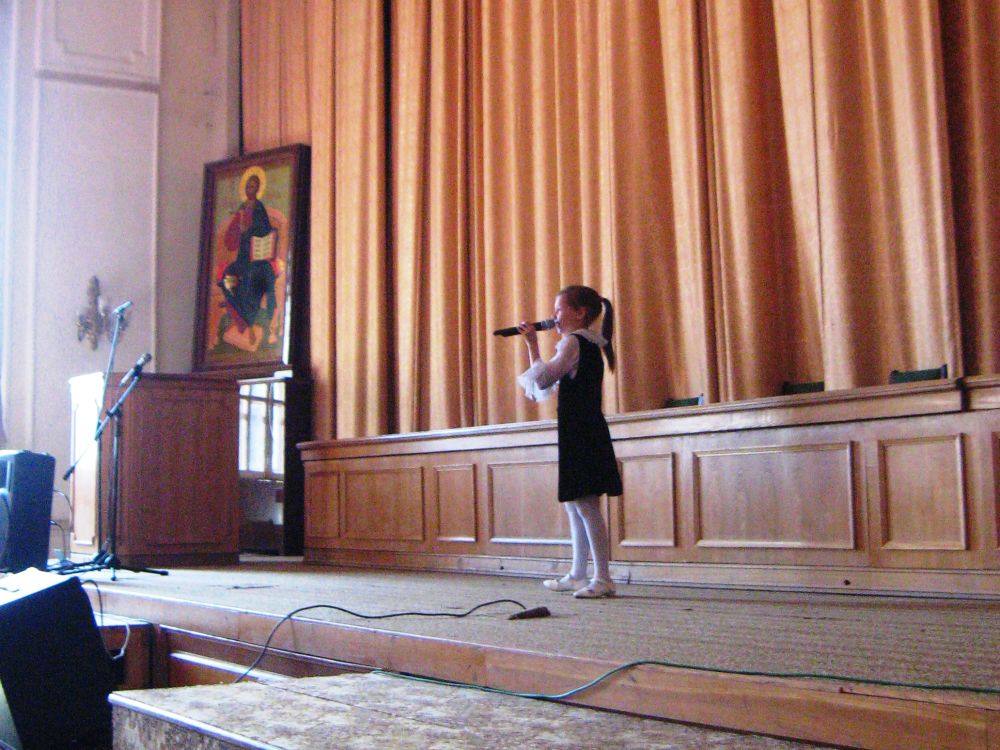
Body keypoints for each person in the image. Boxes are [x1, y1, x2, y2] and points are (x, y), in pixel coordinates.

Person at [516, 285, 623, 599]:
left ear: (580, 313)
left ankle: (603, 577)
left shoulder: (574, 342)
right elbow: (545, 382)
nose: (554, 316)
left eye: (559, 309)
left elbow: (543, 379)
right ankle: (578, 574)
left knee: (586, 505)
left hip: (582, 432)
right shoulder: (582, 343)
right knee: (575, 504)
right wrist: (533, 346)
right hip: (580, 429)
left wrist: (532, 345)